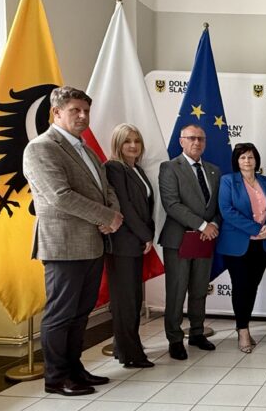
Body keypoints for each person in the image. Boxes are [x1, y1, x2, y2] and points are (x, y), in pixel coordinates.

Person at [22, 86, 123, 396]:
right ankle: (56, 377)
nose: (82, 116)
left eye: (86, 111)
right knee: (61, 314)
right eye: (75, 110)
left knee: (81, 313)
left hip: (92, 242)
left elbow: (106, 189)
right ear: (56, 112)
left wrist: (112, 214)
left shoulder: (86, 149)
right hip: (63, 244)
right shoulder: (41, 148)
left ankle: (75, 369)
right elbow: (60, 196)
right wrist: (106, 216)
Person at [158, 123, 221, 360]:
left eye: (200, 139)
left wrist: (213, 225)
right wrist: (203, 225)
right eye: (191, 138)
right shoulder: (169, 167)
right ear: (181, 141)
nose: (196, 142)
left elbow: (217, 206)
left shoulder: (214, 170)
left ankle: (196, 333)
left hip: (204, 240)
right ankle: (175, 339)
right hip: (179, 240)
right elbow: (172, 204)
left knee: (199, 289)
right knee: (176, 292)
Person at [216, 143, 266, 353]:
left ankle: (243, 324)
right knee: (241, 286)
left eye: (250, 157)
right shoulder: (228, 181)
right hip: (237, 245)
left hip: (261, 244)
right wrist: (256, 228)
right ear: (237, 161)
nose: (247, 161)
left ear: (256, 160)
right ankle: (243, 330)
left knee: (252, 287)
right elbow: (227, 210)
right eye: (242, 157)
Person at [104, 123, 155, 369]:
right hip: (123, 243)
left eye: (136, 140)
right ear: (118, 144)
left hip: (134, 242)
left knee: (132, 298)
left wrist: (147, 234)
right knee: (126, 301)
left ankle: (122, 347)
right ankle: (131, 354)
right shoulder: (114, 168)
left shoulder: (137, 169)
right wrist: (146, 235)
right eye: (127, 141)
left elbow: (145, 207)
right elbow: (124, 206)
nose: (133, 145)